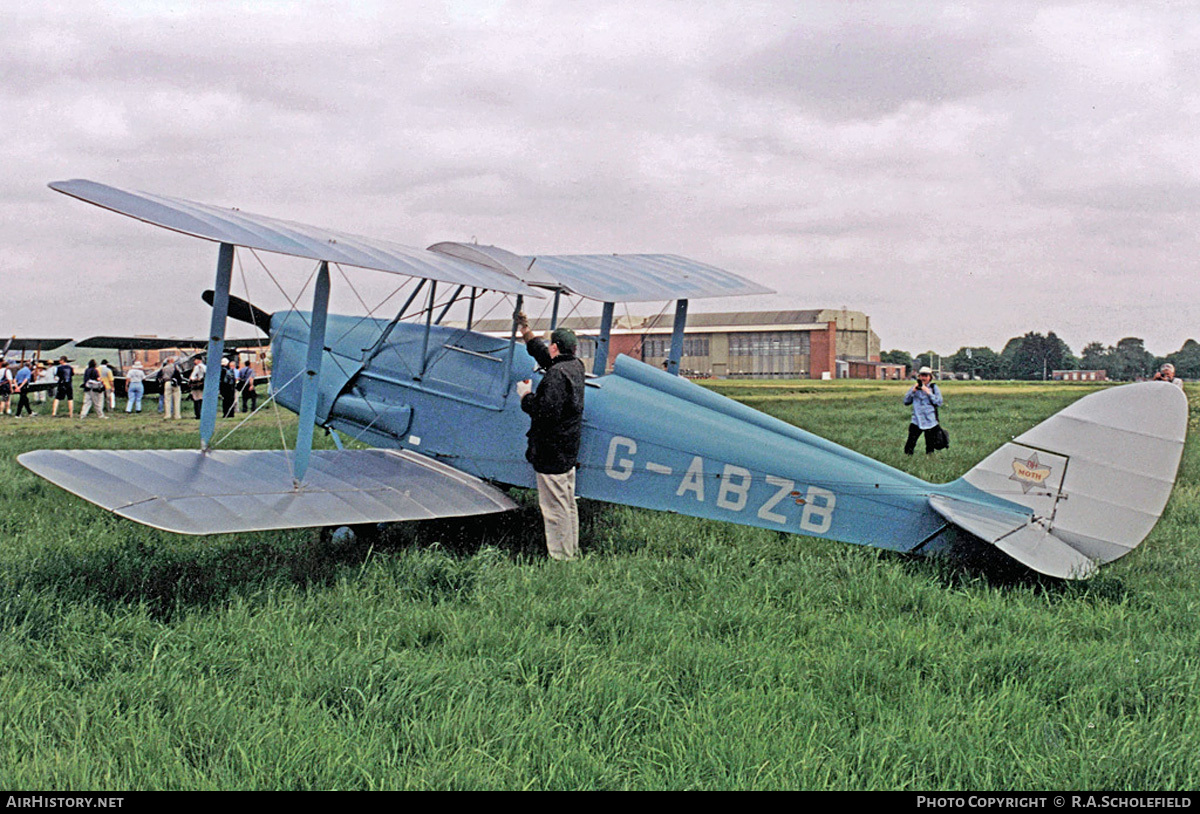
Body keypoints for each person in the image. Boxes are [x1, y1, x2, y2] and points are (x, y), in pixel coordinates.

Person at [514, 313, 585, 561]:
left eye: (550, 345)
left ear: (555, 347)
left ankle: (561, 560)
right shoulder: (575, 366)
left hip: (551, 450)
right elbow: (547, 358)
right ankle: (571, 551)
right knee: (567, 504)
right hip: (567, 449)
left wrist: (525, 395)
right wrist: (526, 331)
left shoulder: (556, 375)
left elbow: (544, 412)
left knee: (554, 508)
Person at [903, 366, 944, 455]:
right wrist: (913, 391)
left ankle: (929, 461)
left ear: (930, 377)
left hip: (930, 420)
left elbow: (939, 402)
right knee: (910, 444)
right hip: (916, 420)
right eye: (921, 375)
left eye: (925, 376)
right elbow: (906, 401)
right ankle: (907, 459)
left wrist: (928, 392)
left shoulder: (934, 388)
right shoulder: (915, 387)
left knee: (930, 446)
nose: (923, 378)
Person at [189, 354, 206, 419]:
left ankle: (198, 414)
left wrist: (192, 379)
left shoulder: (197, 367)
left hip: (197, 385)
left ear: (198, 360)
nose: (194, 361)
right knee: (202, 399)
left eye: (195, 360)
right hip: (203, 385)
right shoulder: (205, 367)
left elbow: (192, 377)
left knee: (196, 399)